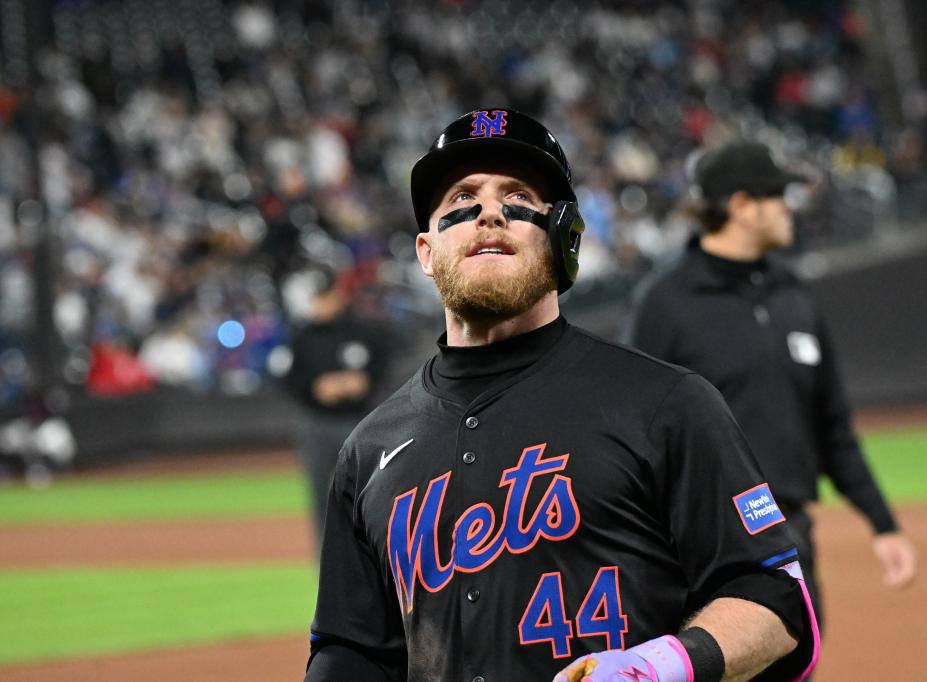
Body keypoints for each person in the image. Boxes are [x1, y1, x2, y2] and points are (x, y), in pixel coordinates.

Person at [304, 110, 819, 682]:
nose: (489, 211)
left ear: (562, 237)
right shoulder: (368, 449)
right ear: (427, 252)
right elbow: (351, 650)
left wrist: (661, 665)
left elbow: (777, 596)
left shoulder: (667, 403)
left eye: (519, 196)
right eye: (461, 199)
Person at [625, 140, 917, 634]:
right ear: (741, 206)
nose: (790, 207)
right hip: (702, 544)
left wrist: (882, 522)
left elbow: (832, 424)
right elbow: (631, 429)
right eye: (778, 196)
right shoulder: (664, 304)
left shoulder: (793, 295)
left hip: (789, 535)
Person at [283, 266, 392, 544]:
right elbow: (290, 380)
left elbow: (386, 366)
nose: (318, 304)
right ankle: (327, 559)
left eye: (324, 296)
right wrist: (315, 389)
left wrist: (365, 382)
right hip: (317, 423)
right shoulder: (303, 337)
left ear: (338, 294)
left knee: (368, 491)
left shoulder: (364, 329)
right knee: (321, 496)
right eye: (315, 298)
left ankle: (372, 550)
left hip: (357, 422)